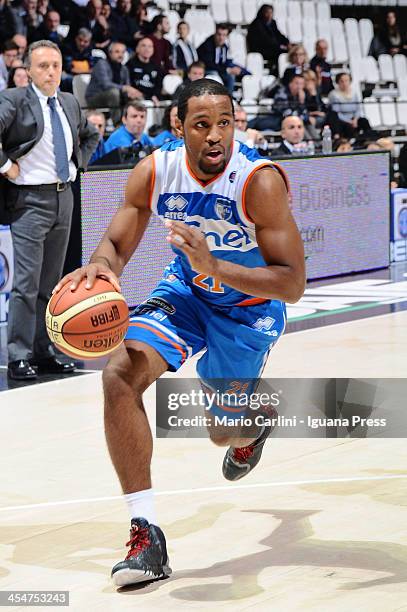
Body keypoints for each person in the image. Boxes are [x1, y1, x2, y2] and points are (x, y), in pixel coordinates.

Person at [54, 78, 305, 587]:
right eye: (202, 125)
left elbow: (293, 283)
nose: (216, 136)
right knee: (119, 374)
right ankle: (145, 533)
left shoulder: (258, 181)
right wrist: (100, 268)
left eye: (225, 123)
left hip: (248, 308)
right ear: (177, 126)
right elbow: (117, 243)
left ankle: (255, 422)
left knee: (221, 433)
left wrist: (216, 266)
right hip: (187, 292)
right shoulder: (156, 171)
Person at [0, 40, 99, 380]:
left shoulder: (69, 102)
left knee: (51, 283)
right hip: (28, 201)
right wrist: (5, 166)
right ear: (28, 70)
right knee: (26, 284)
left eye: (55, 65)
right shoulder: (14, 99)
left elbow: (90, 135)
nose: (51, 72)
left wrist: (78, 165)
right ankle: (18, 355)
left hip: (64, 197)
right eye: (42, 66)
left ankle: (45, 351)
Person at [85, 41, 141, 125]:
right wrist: (124, 88)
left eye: (122, 52)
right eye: (117, 52)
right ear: (110, 53)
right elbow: (105, 84)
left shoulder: (124, 69)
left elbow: (127, 87)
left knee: (135, 97)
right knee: (113, 92)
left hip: (115, 96)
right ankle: (118, 124)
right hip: (95, 97)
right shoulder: (101, 64)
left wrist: (131, 93)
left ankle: (132, 124)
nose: (120, 55)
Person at [198, 23, 241, 94]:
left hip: (218, 69)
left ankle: (229, 98)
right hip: (206, 70)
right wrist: (227, 70)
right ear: (215, 34)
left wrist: (234, 68)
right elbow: (209, 64)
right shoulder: (207, 45)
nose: (221, 37)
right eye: (219, 34)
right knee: (215, 75)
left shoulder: (224, 47)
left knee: (231, 76)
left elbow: (224, 62)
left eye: (224, 35)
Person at [327, 72, 371, 140]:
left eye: (346, 81)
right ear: (337, 82)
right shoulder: (334, 94)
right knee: (347, 127)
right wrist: (349, 121)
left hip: (354, 119)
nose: (344, 83)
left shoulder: (354, 93)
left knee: (364, 122)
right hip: (341, 119)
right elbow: (336, 113)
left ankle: (369, 141)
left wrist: (355, 120)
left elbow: (358, 109)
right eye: (342, 81)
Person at [247, 4, 289, 74]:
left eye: (271, 12)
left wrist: (287, 43)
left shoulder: (272, 22)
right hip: (261, 49)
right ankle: (276, 73)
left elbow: (279, 34)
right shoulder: (257, 24)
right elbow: (265, 40)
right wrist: (280, 46)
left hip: (272, 47)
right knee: (280, 52)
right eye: (267, 12)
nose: (269, 15)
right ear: (262, 13)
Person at [126, 36, 163, 103]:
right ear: (137, 49)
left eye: (150, 46)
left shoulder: (157, 67)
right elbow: (129, 85)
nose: (147, 49)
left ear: (153, 50)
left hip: (152, 100)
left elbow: (158, 87)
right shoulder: (129, 65)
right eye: (143, 46)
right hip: (135, 99)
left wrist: (154, 96)